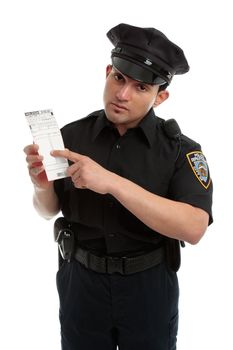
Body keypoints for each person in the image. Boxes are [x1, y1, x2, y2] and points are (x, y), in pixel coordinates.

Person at [24, 23, 213, 350]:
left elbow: (194, 228)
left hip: (148, 286)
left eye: (141, 87)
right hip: (80, 282)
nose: (122, 94)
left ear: (160, 96)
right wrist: (42, 187)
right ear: (108, 71)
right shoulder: (72, 136)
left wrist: (111, 183)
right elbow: (48, 210)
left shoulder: (181, 150)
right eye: (119, 78)